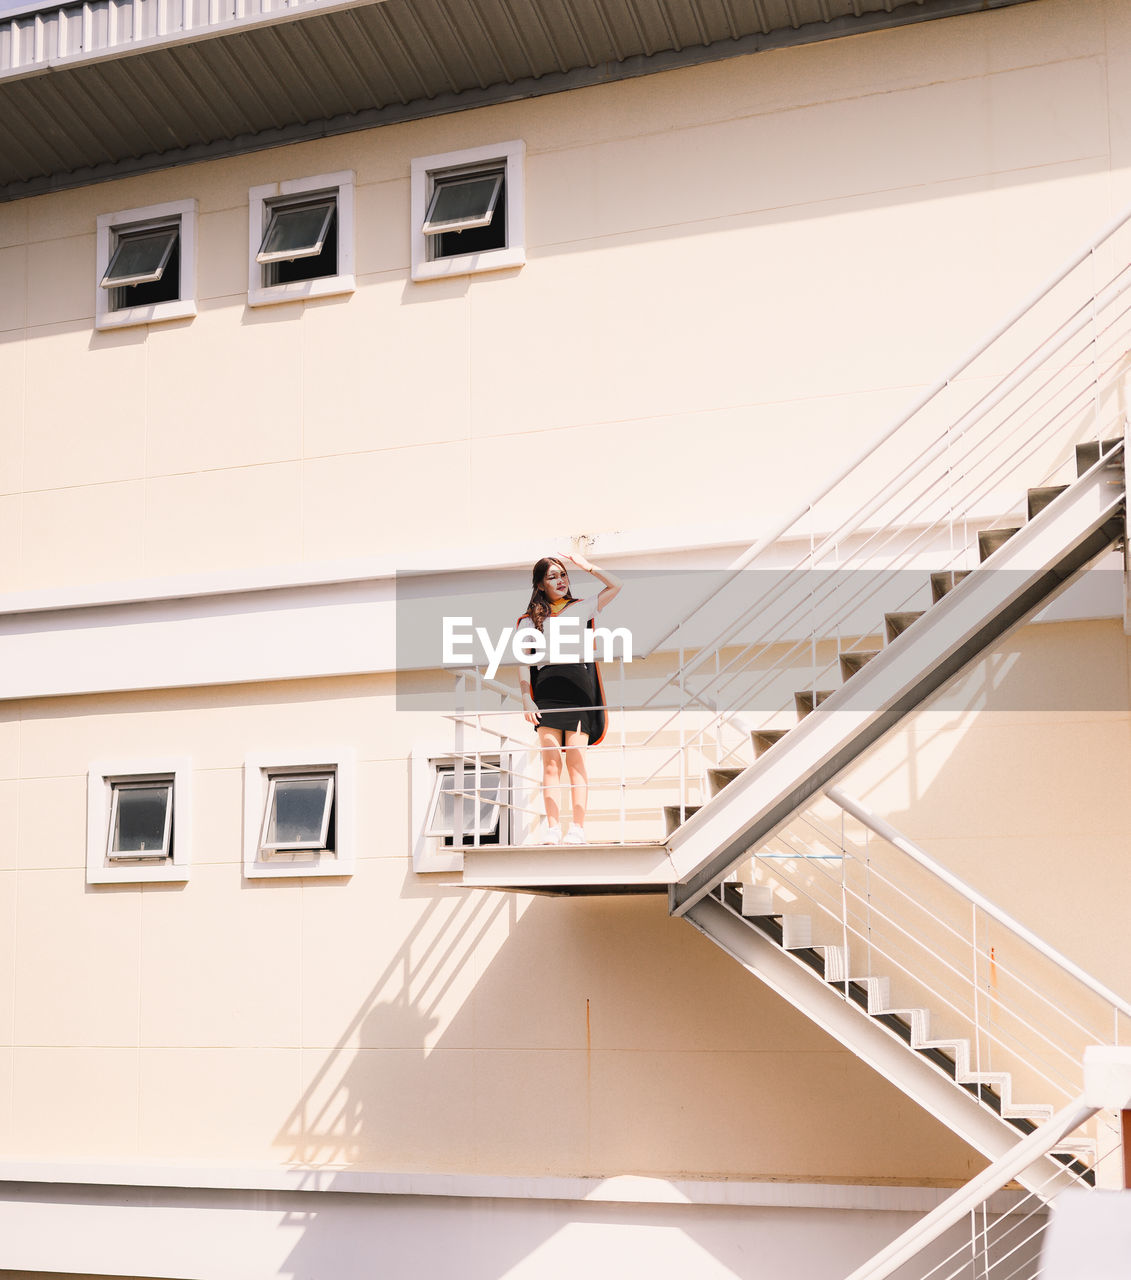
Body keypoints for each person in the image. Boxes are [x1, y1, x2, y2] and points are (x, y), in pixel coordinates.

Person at [518, 551, 622, 845]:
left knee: (576, 760)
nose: (560, 580)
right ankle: (553, 829)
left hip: (578, 689)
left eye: (563, 574)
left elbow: (617, 585)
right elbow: (524, 663)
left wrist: (586, 566)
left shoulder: (581, 606)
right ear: (540, 585)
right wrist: (527, 699)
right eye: (552, 576)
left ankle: (577, 828)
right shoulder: (528, 621)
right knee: (551, 763)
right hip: (547, 691)